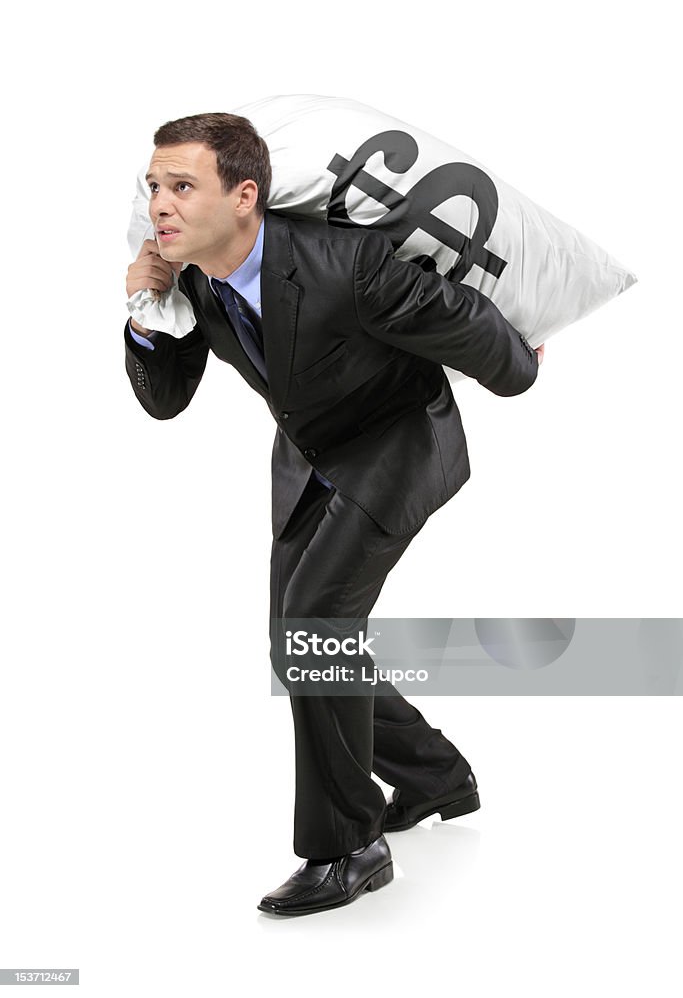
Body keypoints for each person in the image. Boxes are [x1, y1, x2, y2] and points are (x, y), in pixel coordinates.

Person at [124, 113, 543, 917]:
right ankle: (433, 777)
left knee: (313, 626)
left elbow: (457, 317)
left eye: (182, 187)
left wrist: (520, 368)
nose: (160, 206)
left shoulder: (344, 264)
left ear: (245, 196)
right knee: (302, 647)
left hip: (396, 446)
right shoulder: (190, 281)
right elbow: (167, 401)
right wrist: (146, 314)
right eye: (154, 187)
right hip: (312, 458)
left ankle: (349, 848)